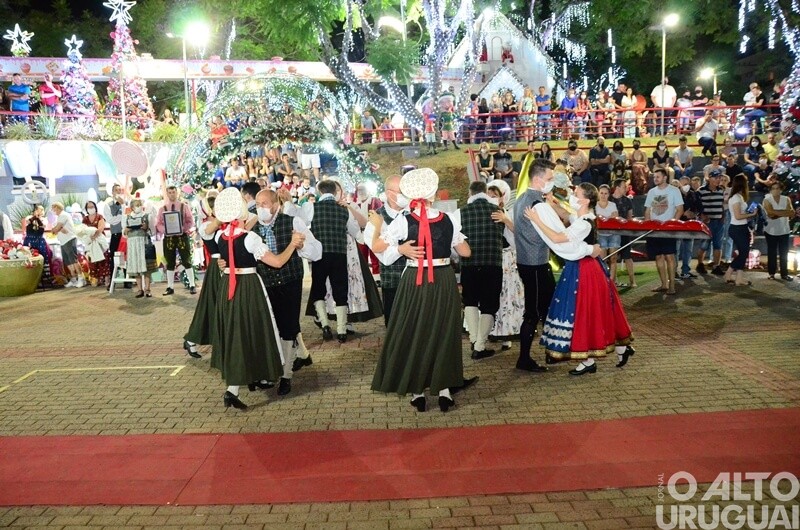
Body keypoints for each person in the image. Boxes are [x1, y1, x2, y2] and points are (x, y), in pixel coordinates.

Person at [370, 168, 474, 412]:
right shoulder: (449, 219)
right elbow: (466, 252)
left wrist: (378, 226)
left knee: (416, 330)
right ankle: (445, 390)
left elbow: (376, 245)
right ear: (434, 194)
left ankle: (417, 391)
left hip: (415, 280)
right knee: (444, 331)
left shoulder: (403, 221)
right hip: (444, 279)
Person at [211, 188, 305, 410]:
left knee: (242, 334)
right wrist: (292, 244)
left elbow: (226, 256)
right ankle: (251, 380)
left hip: (230, 288)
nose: (258, 208)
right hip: (250, 288)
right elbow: (278, 262)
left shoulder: (221, 235)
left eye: (263, 204)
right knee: (258, 331)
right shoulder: (250, 237)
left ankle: (240, 385)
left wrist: (223, 263)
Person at [525, 183, 633, 375]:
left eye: (576, 194)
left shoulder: (584, 223)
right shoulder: (584, 218)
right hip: (583, 267)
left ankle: (590, 360)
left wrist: (536, 219)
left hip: (585, 270)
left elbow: (558, 238)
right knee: (589, 311)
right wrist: (553, 202)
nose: (572, 197)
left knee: (583, 312)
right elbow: (567, 216)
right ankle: (614, 351)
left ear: (585, 199)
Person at [515, 159, 598, 372]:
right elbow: (559, 237)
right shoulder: (537, 204)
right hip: (535, 263)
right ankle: (525, 359)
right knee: (535, 312)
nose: (552, 182)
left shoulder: (522, 198)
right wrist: (588, 250)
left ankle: (552, 352)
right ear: (538, 179)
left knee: (546, 309)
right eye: (550, 178)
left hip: (531, 262)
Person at [252, 189, 322, 392]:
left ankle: (286, 374)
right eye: (257, 204)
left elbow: (316, 251)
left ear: (276, 204)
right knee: (273, 325)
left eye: (264, 204)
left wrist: (300, 247)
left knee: (288, 326)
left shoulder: (292, 222)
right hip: (265, 283)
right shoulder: (252, 229)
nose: (260, 208)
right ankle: (298, 357)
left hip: (290, 280)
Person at [308, 179, 362, 342]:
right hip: (339, 254)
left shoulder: (312, 208)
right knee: (340, 290)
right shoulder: (343, 210)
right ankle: (341, 329)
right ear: (335, 191)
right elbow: (355, 231)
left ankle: (325, 325)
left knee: (318, 289)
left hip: (319, 255)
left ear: (320, 192)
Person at [457, 181, 506, 359]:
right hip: (492, 264)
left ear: (470, 193)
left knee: (469, 301)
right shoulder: (498, 212)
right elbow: (509, 238)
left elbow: (455, 242)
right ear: (485, 192)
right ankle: (480, 345)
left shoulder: (459, 212)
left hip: (469, 264)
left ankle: (473, 338)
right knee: (489, 304)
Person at [364, 175, 408, 325]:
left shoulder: (414, 212)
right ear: (390, 194)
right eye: (402, 191)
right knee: (394, 324)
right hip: (393, 281)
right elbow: (383, 255)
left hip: (417, 281)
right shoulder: (376, 218)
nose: (406, 194)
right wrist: (400, 249)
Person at [485, 180, 523, 350]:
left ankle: (507, 333)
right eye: (489, 196)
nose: (492, 198)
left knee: (507, 296)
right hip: (489, 259)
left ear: (501, 199)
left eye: (495, 196)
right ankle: (487, 331)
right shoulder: (482, 214)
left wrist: (506, 220)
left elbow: (516, 238)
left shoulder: (507, 213)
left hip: (506, 260)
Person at [183, 193, 221, 357]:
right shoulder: (206, 226)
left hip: (228, 267)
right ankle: (192, 339)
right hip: (217, 268)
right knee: (211, 305)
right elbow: (214, 227)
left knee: (218, 306)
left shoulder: (225, 224)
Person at [644, 168, 684, 295]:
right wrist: (647, 225)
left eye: (658, 177)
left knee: (669, 256)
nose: (655, 179)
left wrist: (672, 224)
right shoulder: (651, 192)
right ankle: (664, 284)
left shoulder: (674, 190)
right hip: (654, 229)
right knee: (658, 257)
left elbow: (680, 209)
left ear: (665, 177)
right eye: (654, 177)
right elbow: (647, 210)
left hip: (668, 230)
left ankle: (672, 285)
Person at [155, 185, 197, 295]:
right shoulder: (162, 209)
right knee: (170, 262)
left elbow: (190, 221)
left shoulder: (184, 206)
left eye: (173, 192)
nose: (172, 194)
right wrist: (165, 230)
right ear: (167, 194)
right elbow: (158, 224)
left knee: (186, 260)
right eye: (170, 192)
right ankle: (170, 287)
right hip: (169, 238)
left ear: (177, 193)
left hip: (182, 236)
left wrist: (183, 229)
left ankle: (192, 285)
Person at [724, 174, 757, 287]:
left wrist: (748, 213)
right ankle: (729, 273)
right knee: (744, 252)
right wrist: (751, 213)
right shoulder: (735, 198)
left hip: (741, 227)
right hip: (737, 228)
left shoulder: (739, 197)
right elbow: (738, 216)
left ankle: (738, 278)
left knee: (743, 253)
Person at [763, 181, 795, 281]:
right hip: (770, 230)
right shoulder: (767, 199)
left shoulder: (786, 199)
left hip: (784, 230)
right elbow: (770, 214)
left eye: (778, 188)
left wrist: (776, 212)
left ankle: (784, 274)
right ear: (771, 190)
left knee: (784, 253)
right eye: (773, 188)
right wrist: (784, 213)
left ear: (781, 190)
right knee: (771, 252)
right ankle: (771, 273)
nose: (776, 190)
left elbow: (791, 212)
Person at [124, 198, 155, 298]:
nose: (139, 206)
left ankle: (147, 289)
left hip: (143, 242)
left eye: (140, 204)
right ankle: (139, 289)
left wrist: (146, 228)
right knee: (136, 266)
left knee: (146, 266)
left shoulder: (146, 216)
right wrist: (126, 230)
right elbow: (124, 232)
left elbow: (152, 231)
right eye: (136, 205)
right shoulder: (128, 217)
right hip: (133, 244)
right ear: (132, 207)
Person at [50, 202, 84, 287]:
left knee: (73, 260)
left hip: (69, 240)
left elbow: (56, 229)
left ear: (58, 208)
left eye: (54, 209)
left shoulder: (63, 215)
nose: (53, 211)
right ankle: (73, 279)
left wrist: (57, 229)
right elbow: (57, 229)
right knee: (68, 261)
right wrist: (58, 229)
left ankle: (81, 278)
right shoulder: (59, 217)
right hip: (63, 241)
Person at [610, 179, 637, 288]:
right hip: (611, 233)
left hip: (624, 232)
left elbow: (630, 217)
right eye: (624, 187)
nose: (626, 189)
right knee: (613, 257)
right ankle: (614, 281)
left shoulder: (627, 200)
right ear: (617, 188)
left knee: (627, 256)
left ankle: (632, 281)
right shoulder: (609, 199)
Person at [21, 204, 53, 288]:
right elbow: (28, 223)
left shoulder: (44, 220)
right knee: (30, 256)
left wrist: (38, 218)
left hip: (39, 241)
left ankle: (44, 278)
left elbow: (42, 226)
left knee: (42, 258)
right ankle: (32, 279)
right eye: (39, 210)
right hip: (30, 241)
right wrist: (34, 217)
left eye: (42, 210)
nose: (41, 212)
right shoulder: (28, 218)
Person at [677, 176, 702, 280]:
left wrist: (694, 213)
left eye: (687, 183)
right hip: (678, 224)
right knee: (676, 248)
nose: (686, 185)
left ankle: (685, 271)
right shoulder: (676, 194)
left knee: (688, 248)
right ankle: (673, 271)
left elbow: (700, 208)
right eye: (683, 183)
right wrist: (682, 213)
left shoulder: (694, 194)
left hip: (689, 225)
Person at [81, 201, 110, 287]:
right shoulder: (85, 219)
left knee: (103, 260)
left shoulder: (99, 216)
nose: (91, 208)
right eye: (89, 207)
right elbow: (83, 230)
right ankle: (96, 279)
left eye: (92, 206)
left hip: (100, 240)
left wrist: (95, 235)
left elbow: (101, 227)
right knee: (93, 260)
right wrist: (90, 237)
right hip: (90, 241)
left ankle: (106, 279)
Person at [594, 184, 620, 281]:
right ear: (598, 194)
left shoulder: (612, 205)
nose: (603, 195)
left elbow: (615, 217)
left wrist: (603, 218)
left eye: (605, 193)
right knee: (603, 259)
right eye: (601, 193)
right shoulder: (595, 205)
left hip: (613, 234)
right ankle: (604, 280)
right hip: (601, 234)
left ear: (609, 194)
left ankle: (612, 281)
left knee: (613, 258)